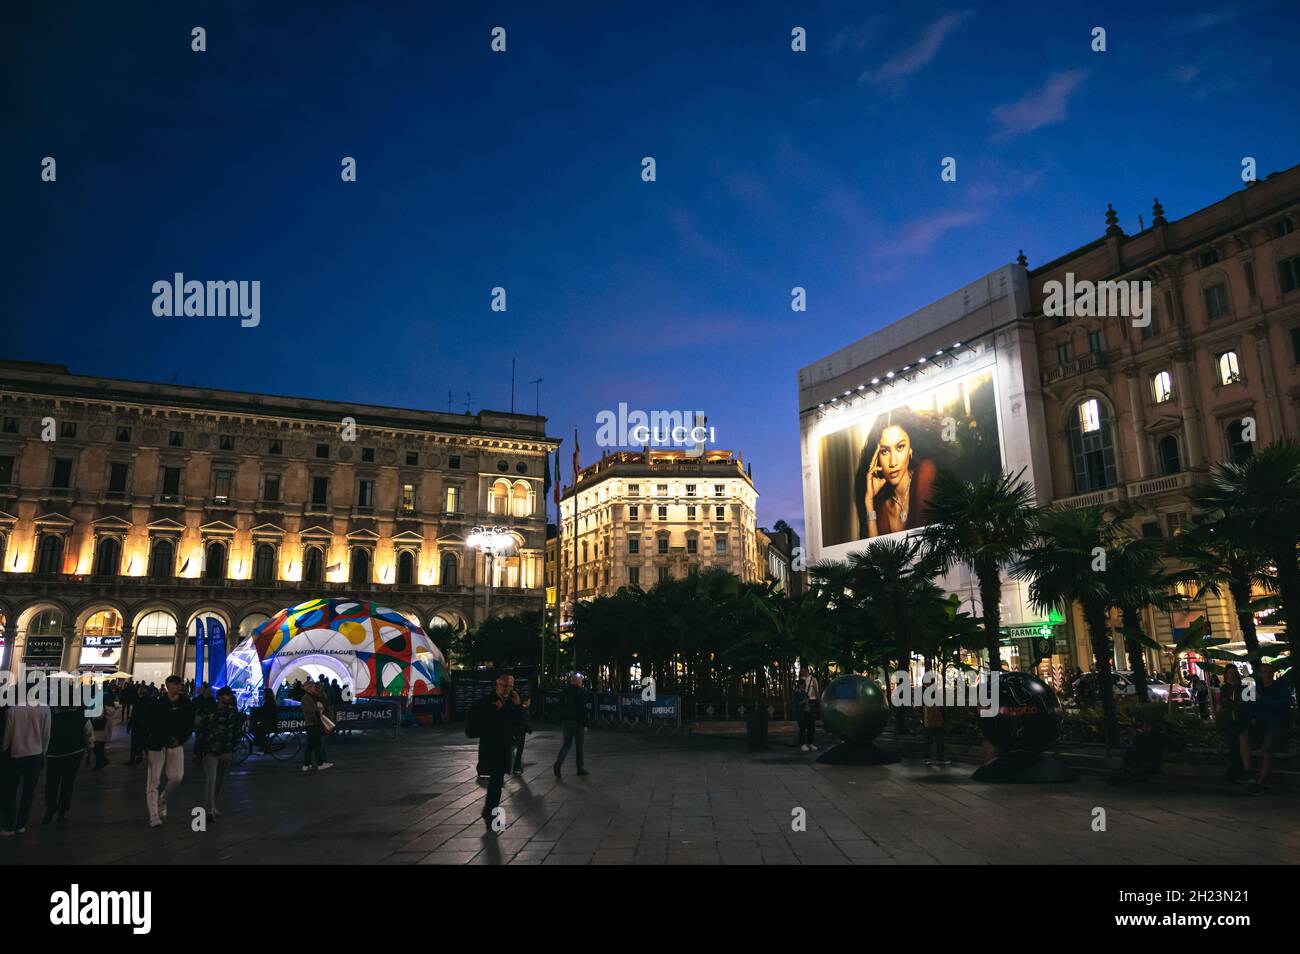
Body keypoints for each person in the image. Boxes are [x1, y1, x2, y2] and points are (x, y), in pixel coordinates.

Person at [468, 672, 524, 833]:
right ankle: (491, 812)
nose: (508, 689)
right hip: (492, 745)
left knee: (498, 780)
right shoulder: (489, 700)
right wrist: (497, 710)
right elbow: (481, 718)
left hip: (506, 745)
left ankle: (489, 811)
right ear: (498, 685)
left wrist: (519, 705)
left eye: (511, 686)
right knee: (497, 780)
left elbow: (518, 720)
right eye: (505, 686)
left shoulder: (512, 701)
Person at [862, 421, 937, 537]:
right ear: (877, 457)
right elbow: (876, 552)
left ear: (910, 449)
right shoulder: (881, 505)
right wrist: (869, 501)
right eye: (885, 451)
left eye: (900, 447)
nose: (893, 462)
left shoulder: (925, 473)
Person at [0, 686, 52, 836]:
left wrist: (4, 750)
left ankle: (8, 826)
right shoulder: (45, 709)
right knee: (28, 791)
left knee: (11, 790)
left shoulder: (13, 710)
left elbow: (7, 738)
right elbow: (46, 734)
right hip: (35, 755)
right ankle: (21, 824)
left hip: (15, 755)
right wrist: (44, 752)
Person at [144, 675, 193, 827]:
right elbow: (150, 724)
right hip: (157, 745)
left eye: (180, 684)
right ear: (168, 686)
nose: (180, 687)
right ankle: (153, 815)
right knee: (153, 781)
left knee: (177, 777)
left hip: (176, 744)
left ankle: (163, 800)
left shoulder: (185, 703)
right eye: (177, 684)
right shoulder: (158, 703)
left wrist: (180, 739)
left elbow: (189, 724)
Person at [195, 688, 244, 817]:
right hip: (210, 750)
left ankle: (213, 805)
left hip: (226, 750)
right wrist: (199, 750)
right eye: (227, 695)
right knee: (212, 779)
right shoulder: (210, 711)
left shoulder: (232, 712)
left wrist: (234, 745)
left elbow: (236, 730)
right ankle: (209, 809)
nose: (230, 697)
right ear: (220, 697)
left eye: (230, 695)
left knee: (220, 781)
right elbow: (201, 730)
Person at [1246, 663, 1294, 795]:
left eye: (1268, 672)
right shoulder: (1257, 688)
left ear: (1272, 674)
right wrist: (1252, 717)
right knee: (1257, 745)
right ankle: (1266, 775)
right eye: (1263, 672)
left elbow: (1284, 705)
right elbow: (1251, 704)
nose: (1266, 675)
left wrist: (1264, 700)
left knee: (1267, 747)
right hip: (1260, 724)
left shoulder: (1280, 687)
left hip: (1276, 723)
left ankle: (1261, 780)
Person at [43, 704, 92, 824]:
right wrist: (89, 753)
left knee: (52, 781)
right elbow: (89, 735)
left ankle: (51, 805)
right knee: (68, 782)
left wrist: (44, 751)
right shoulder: (82, 716)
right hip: (75, 751)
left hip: (54, 753)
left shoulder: (52, 716)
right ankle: (62, 811)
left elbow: (45, 734)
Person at [553, 673, 590, 777]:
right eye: (581, 680)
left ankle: (558, 764)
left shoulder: (564, 691)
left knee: (566, 745)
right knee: (579, 746)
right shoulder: (580, 692)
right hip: (577, 722)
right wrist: (585, 724)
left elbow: (560, 706)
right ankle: (580, 768)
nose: (582, 682)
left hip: (566, 722)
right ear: (577, 681)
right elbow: (583, 709)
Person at [1217, 665, 1249, 782]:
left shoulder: (1243, 688)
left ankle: (1242, 771)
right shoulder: (1225, 688)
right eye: (1230, 673)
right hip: (1229, 720)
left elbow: (1244, 704)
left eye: (1234, 673)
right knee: (1232, 746)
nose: (1232, 675)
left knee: (1240, 745)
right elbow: (1224, 702)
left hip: (1240, 720)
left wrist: (1233, 704)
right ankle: (1235, 770)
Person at [299, 679, 334, 772]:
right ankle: (320, 763)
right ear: (309, 688)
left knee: (310, 745)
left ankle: (306, 764)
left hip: (314, 723)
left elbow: (323, 698)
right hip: (313, 723)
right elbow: (308, 710)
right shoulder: (306, 698)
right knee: (317, 744)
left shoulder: (313, 696)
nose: (315, 688)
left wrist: (321, 690)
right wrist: (317, 711)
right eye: (314, 686)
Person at [795, 665, 820, 752]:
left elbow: (816, 691)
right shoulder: (801, 680)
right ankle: (803, 743)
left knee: (811, 725)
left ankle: (810, 742)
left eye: (802, 671)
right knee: (803, 725)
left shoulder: (813, 679)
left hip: (811, 702)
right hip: (803, 703)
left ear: (806, 670)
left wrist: (817, 701)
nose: (801, 672)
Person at [90, 693, 117, 770]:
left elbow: (96, 717)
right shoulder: (111, 708)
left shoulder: (102, 708)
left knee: (96, 748)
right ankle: (101, 762)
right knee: (101, 748)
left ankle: (101, 762)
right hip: (107, 731)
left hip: (99, 731)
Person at [922, 695, 948, 766]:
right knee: (936, 741)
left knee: (935, 741)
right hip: (934, 724)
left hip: (931, 724)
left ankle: (932, 758)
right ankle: (937, 757)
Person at [512, 693, 533, 775]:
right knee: (519, 750)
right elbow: (525, 721)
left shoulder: (519, 708)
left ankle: (516, 767)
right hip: (520, 732)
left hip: (516, 731)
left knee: (517, 750)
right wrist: (529, 729)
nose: (530, 703)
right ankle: (517, 768)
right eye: (529, 701)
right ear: (526, 701)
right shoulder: (523, 709)